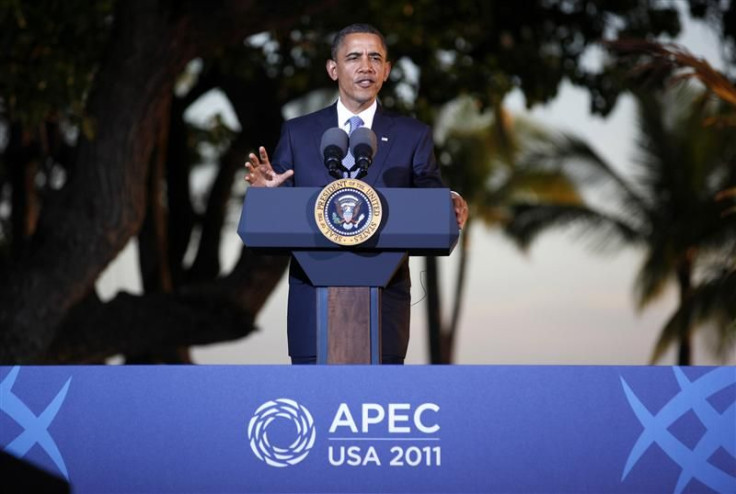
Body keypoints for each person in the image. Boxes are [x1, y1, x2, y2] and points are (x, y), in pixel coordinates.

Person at [244, 23, 468, 364]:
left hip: (385, 297)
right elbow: (282, 198)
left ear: (387, 70)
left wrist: (447, 200)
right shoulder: (299, 132)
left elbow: (428, 190)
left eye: (375, 57)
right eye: (354, 57)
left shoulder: (412, 134)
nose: (366, 66)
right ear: (333, 69)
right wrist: (267, 195)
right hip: (313, 294)